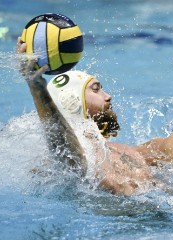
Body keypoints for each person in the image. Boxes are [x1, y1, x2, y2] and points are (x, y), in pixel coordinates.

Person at [17, 37, 154, 195]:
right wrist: (38, 90)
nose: (108, 96)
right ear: (71, 101)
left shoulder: (119, 149)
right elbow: (70, 158)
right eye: (96, 89)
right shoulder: (75, 151)